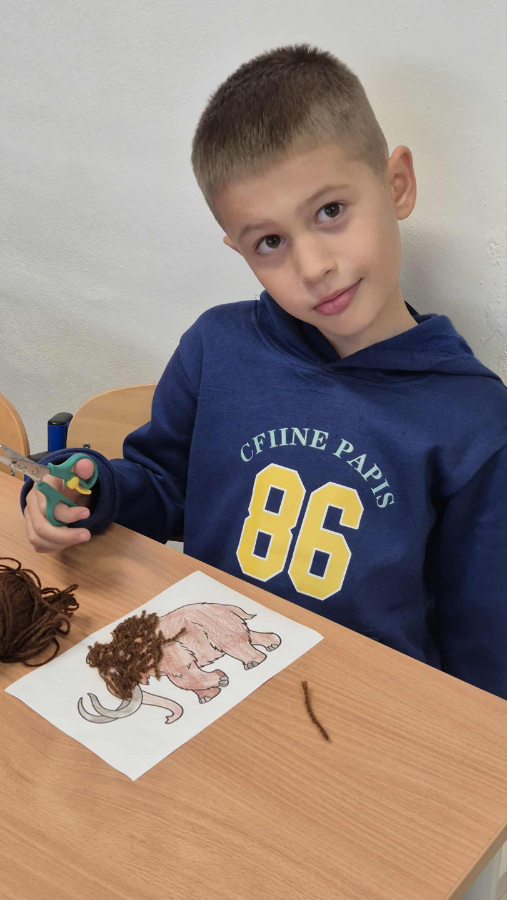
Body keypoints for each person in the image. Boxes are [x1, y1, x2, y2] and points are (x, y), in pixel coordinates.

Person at [21, 43, 507, 699]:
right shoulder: (217, 346)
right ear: (238, 248)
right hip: (221, 681)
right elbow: (164, 488)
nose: (313, 267)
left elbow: (484, 642)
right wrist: (92, 489)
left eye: (330, 212)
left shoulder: (475, 420)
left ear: (397, 185)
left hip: (369, 712)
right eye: (270, 242)